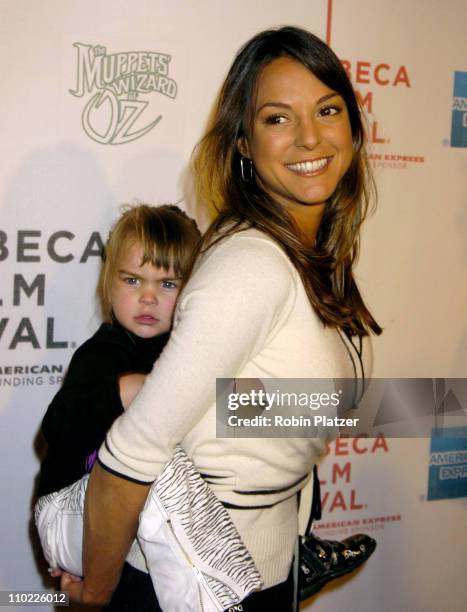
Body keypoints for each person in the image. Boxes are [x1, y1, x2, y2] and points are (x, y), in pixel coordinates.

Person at [62, 26, 382, 610]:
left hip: (258, 568)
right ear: (242, 141)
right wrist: (94, 598)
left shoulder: (301, 254)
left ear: (353, 128)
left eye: (327, 109)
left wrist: (435, 404)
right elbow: (129, 458)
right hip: (192, 583)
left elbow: (253, 412)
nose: (310, 136)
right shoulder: (252, 265)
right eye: (277, 118)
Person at [34, 204, 200, 608]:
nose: (147, 297)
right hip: (67, 515)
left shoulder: (187, 352)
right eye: (133, 279)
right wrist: (128, 390)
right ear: (110, 286)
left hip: (122, 517)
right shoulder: (104, 352)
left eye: (167, 285)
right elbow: (57, 427)